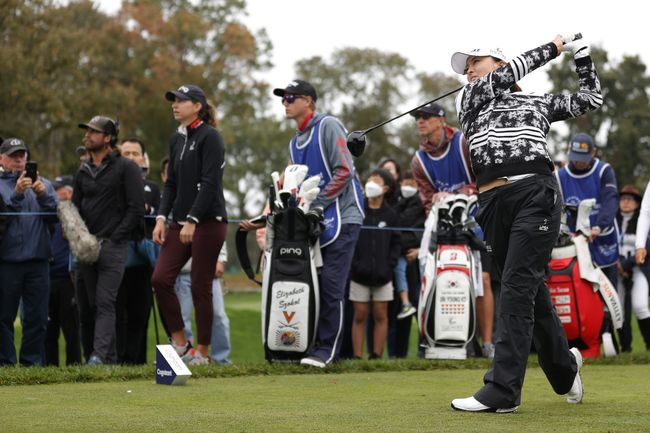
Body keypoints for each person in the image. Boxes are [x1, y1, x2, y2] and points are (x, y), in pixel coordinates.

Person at [449, 35, 602, 412]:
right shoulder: (469, 98)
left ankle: (502, 391)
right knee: (529, 289)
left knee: (516, 288)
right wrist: (551, 48)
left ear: (499, 62)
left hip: (536, 193)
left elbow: (590, 99)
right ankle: (565, 370)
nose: (467, 69)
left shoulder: (537, 102)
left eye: (475, 61)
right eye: (465, 65)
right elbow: (507, 77)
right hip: (492, 202)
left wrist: (581, 59)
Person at [241, 79, 364, 368]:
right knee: (316, 285)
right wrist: (261, 220)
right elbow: (291, 189)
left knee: (332, 286)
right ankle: (307, 345)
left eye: (291, 97)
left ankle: (327, 351)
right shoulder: (294, 143)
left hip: (344, 217)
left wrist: (318, 204)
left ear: (308, 101)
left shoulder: (329, 125)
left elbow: (345, 170)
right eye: (283, 98)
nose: (285, 102)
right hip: (316, 222)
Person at [410, 102, 495, 358]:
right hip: (444, 226)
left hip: (477, 220)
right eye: (418, 118)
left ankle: (487, 343)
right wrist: (438, 200)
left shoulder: (463, 142)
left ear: (440, 120)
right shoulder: (419, 160)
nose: (420, 121)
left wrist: (459, 193)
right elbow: (427, 199)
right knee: (438, 276)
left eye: (426, 117)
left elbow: (486, 177)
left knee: (483, 281)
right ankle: (440, 339)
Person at [152, 84, 227, 365]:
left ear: (197, 106)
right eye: (174, 100)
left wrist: (193, 220)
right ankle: (181, 344)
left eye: (181, 101)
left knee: (200, 286)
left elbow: (210, 184)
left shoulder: (211, 138)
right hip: (179, 223)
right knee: (160, 279)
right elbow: (170, 185)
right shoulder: (177, 139)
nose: (175, 104)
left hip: (208, 222)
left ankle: (203, 355)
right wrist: (162, 217)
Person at [73, 116, 145, 365]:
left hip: (113, 246)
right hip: (87, 248)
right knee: (94, 305)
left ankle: (98, 356)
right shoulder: (82, 170)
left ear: (107, 138)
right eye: (87, 131)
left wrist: (115, 237)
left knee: (105, 301)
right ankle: (110, 360)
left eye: (93, 132)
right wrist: (80, 237)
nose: (87, 136)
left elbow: (136, 208)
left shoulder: (126, 167)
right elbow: (76, 208)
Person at [0, 138, 58, 366]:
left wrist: (44, 195)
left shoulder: (43, 184)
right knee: (3, 317)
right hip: (7, 261)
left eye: (22, 155)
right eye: (13, 156)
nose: (18, 160)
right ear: (1, 158)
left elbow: (56, 217)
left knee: (37, 319)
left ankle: (31, 364)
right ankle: (5, 363)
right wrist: (16, 195)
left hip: (39, 261)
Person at [115, 138, 160, 364]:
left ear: (143, 158)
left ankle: (137, 362)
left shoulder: (152, 188)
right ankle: (118, 362)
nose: (131, 157)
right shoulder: (111, 184)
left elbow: (159, 220)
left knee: (139, 315)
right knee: (116, 315)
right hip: (116, 259)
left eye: (135, 153)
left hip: (142, 261)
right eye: (126, 153)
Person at [349, 169, 401, 359]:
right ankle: (357, 356)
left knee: (381, 315)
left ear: (385, 188)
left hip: (383, 275)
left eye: (375, 180)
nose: (370, 183)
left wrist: (390, 265)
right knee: (360, 314)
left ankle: (376, 355)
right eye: (369, 179)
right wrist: (354, 264)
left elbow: (396, 243)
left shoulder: (391, 215)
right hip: (358, 274)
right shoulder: (358, 210)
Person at [556, 132, 620, 286]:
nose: (579, 162)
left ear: (593, 152)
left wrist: (599, 226)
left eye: (583, 158)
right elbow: (556, 210)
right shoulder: (561, 176)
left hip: (602, 236)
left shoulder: (604, 170)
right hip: (574, 241)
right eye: (575, 157)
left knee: (608, 288)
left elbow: (610, 201)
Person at [45, 175, 82, 366]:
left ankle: (74, 366)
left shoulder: (77, 215)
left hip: (69, 279)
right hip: (48, 279)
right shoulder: (49, 214)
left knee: (72, 330)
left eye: (59, 190)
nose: (58, 194)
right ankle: (49, 368)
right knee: (49, 329)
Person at [175, 242, 232, 364]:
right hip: (182, 272)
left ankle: (221, 360)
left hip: (209, 272)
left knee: (219, 316)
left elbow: (218, 231)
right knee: (182, 318)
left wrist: (221, 259)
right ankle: (186, 360)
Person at [617, 185, 650, 351]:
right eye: (623, 198)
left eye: (630, 199)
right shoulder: (613, 220)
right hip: (616, 270)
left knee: (640, 306)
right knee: (619, 309)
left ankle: (649, 345)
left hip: (638, 268)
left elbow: (646, 245)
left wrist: (627, 264)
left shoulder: (643, 222)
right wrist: (617, 265)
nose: (626, 202)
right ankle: (625, 349)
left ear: (638, 203)